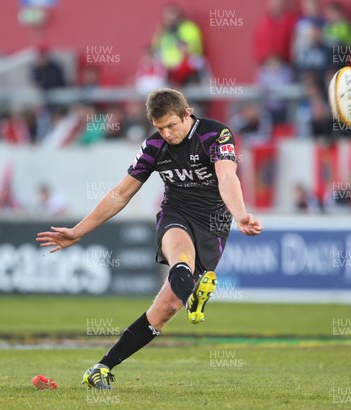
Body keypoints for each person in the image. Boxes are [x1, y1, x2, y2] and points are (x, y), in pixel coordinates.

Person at [36, 88, 262, 389]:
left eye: (171, 125)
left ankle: (100, 368)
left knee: (166, 308)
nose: (167, 133)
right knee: (180, 256)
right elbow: (120, 194)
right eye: (160, 128)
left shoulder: (215, 135)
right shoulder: (154, 145)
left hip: (214, 223)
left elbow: (226, 177)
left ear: (186, 114)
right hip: (176, 213)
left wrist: (240, 213)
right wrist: (78, 231)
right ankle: (193, 295)